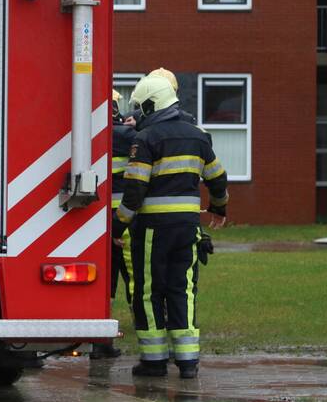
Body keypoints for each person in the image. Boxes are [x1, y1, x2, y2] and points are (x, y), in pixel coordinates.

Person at [113, 74, 228, 379]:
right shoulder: (199, 136)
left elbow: (135, 191)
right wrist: (219, 207)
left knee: (149, 291)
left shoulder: (146, 139)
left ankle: (154, 361)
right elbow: (217, 177)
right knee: (183, 289)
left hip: (153, 229)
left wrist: (117, 226)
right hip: (188, 228)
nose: (139, 114)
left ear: (153, 104)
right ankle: (188, 362)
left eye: (142, 108)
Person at [91, 90, 136, 360]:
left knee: (103, 283)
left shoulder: (90, 136)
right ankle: (143, 326)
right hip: (125, 218)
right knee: (134, 278)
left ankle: (100, 342)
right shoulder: (129, 136)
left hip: (96, 222)